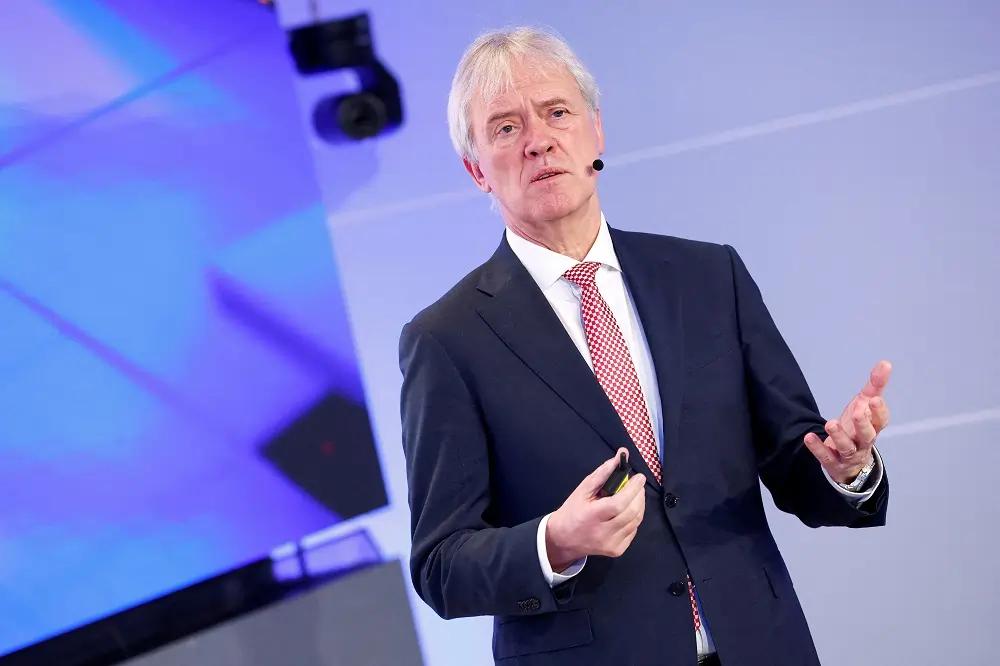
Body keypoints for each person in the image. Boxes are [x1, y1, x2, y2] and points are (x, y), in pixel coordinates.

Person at [398, 26, 890, 666]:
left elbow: (795, 463)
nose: (538, 140)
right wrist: (553, 543)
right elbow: (441, 565)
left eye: (557, 112)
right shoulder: (447, 339)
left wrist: (844, 469)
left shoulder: (708, 277)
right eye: (506, 128)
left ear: (596, 131)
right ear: (475, 171)